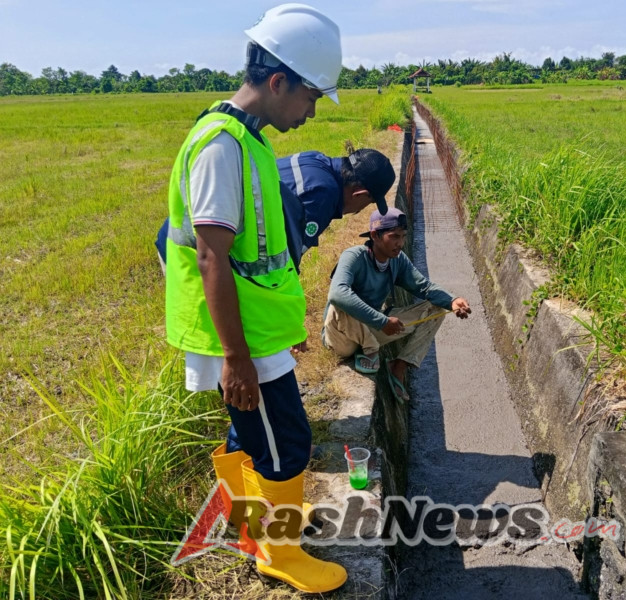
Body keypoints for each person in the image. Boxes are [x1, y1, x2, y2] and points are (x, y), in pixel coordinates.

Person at [164, 4, 346, 593]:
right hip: (238, 338)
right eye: (311, 96)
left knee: (250, 440)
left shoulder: (249, 140)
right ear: (278, 82)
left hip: (254, 331)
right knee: (286, 444)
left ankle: (258, 529)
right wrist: (236, 357)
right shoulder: (223, 145)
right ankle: (280, 553)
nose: (312, 110)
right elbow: (211, 256)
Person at [156, 147, 395, 274]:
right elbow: (286, 262)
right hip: (200, 249)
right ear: (359, 194)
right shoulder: (324, 195)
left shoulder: (316, 160)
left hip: (186, 230)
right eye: (369, 203)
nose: (360, 210)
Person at [322, 208, 471, 402]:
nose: (400, 243)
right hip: (343, 337)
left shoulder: (397, 261)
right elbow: (337, 293)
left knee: (435, 308)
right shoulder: (354, 257)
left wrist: (452, 300)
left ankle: (399, 366)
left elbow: (424, 287)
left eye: (403, 237)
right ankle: (371, 350)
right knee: (340, 301)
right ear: (375, 235)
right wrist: (381, 320)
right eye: (394, 237)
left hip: (373, 329)